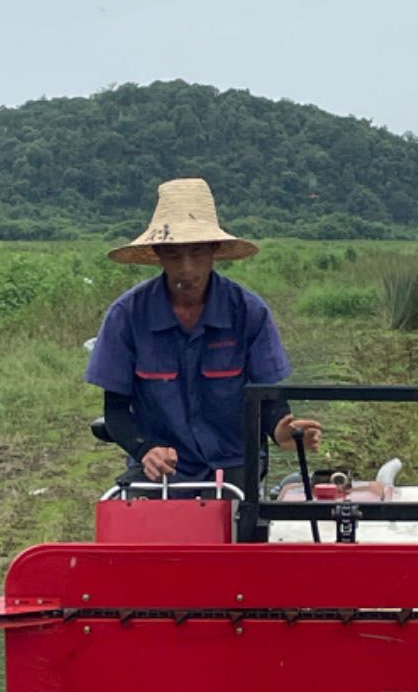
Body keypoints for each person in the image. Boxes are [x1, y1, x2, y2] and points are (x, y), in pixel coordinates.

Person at [85, 178, 321, 491]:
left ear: (214, 250)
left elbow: (267, 398)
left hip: (234, 466)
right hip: (162, 473)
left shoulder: (249, 312)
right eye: (173, 254)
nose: (186, 268)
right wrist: (144, 450)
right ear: (158, 253)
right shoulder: (126, 316)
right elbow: (116, 411)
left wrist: (282, 431)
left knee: (241, 529)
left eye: (197, 253)